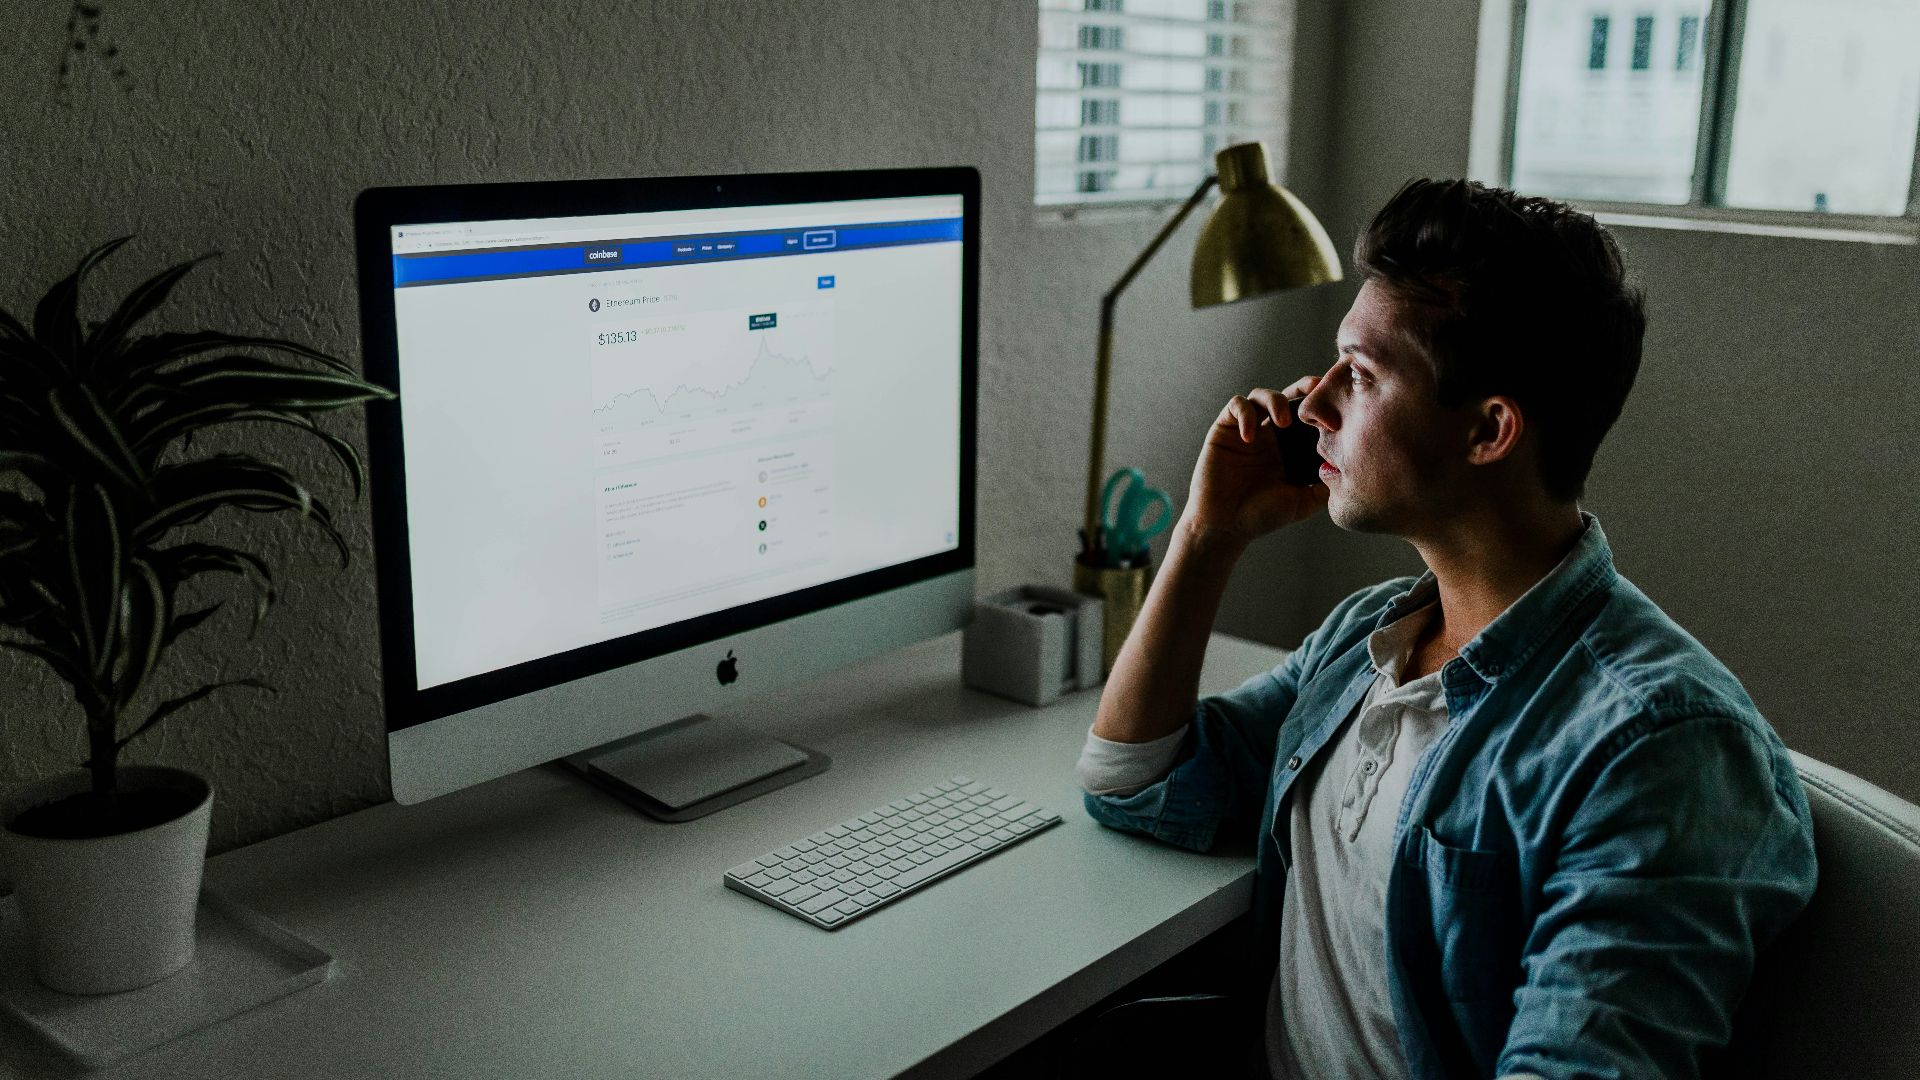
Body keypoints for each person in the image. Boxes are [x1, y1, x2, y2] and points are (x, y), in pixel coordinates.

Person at [1076, 179, 1818, 1080]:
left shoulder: (1660, 751)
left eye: (1361, 374)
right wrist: (1205, 535)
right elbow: (1136, 783)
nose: (1311, 404)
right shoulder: (1371, 640)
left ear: (1489, 431)